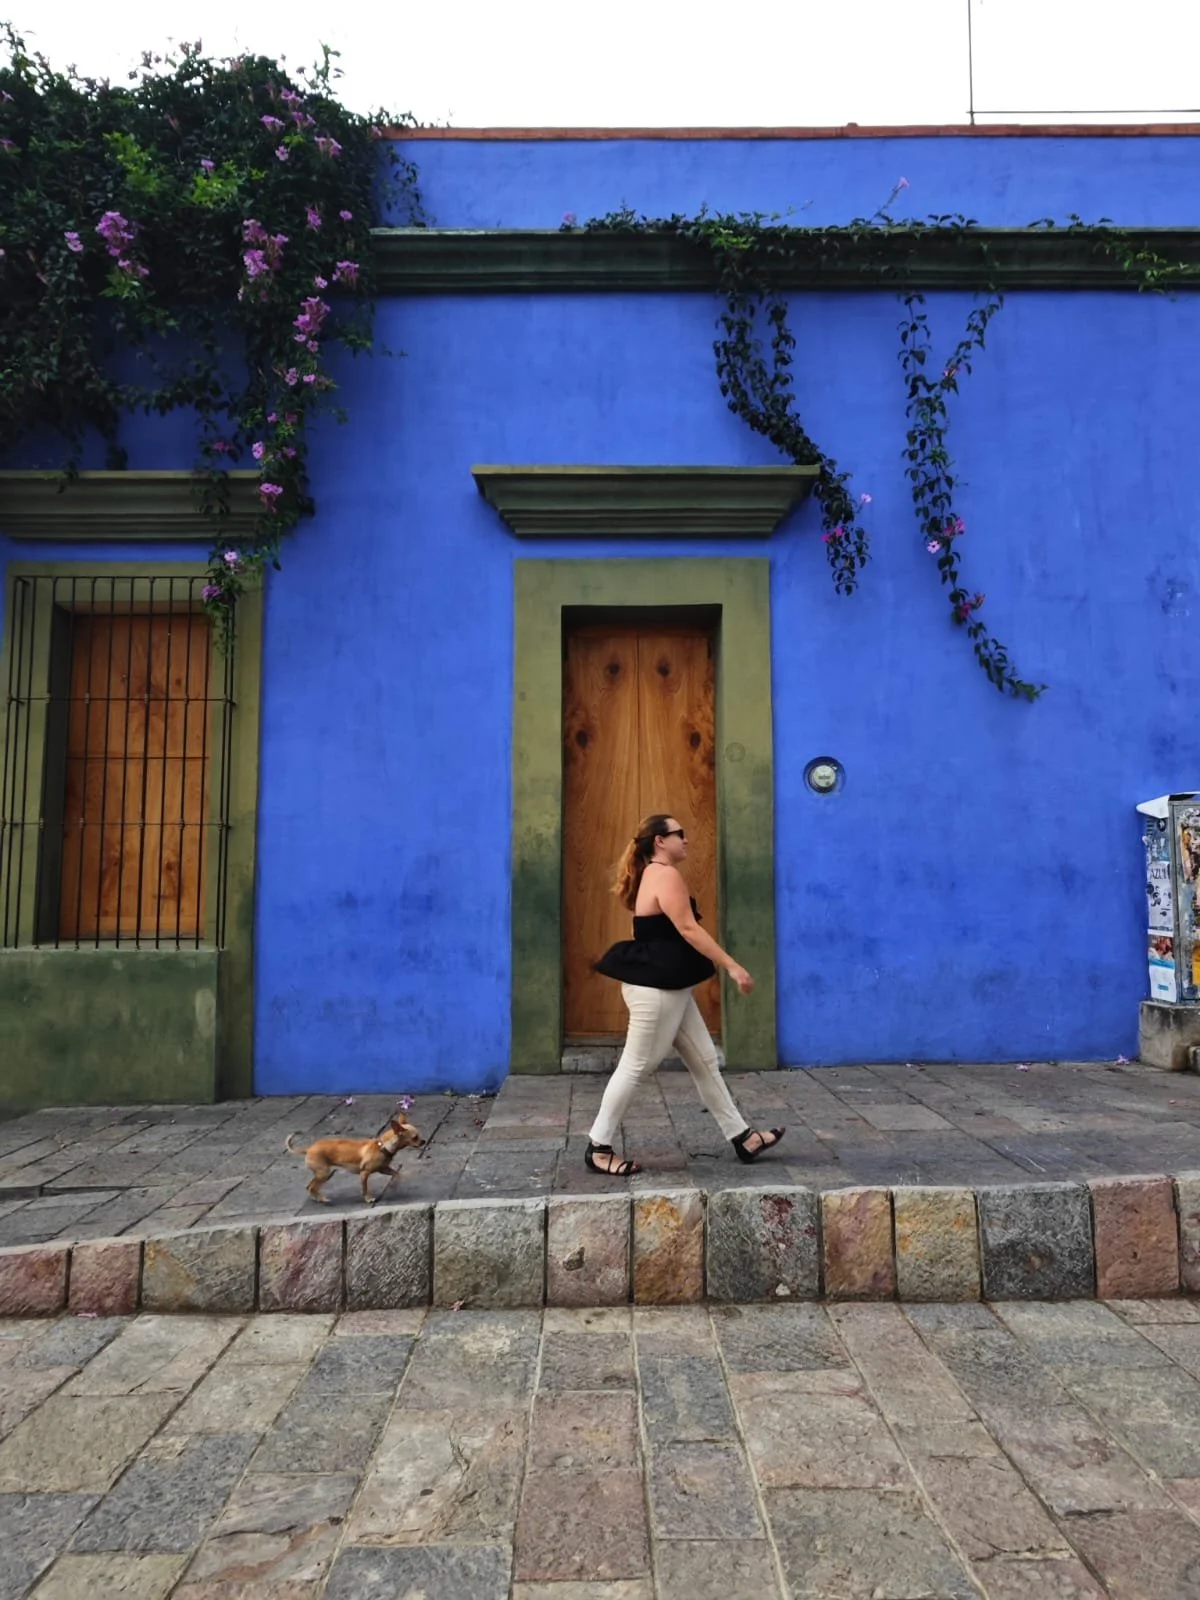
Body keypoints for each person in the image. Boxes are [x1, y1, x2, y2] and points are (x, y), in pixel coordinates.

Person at [585, 811, 785, 1176]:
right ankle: (599, 1146)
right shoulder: (665, 874)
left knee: (705, 1061)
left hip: (670, 989)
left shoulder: (652, 874)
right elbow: (689, 929)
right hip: (657, 992)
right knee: (636, 1066)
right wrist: (732, 966)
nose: (686, 839)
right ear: (660, 841)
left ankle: (743, 1138)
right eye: (680, 834)